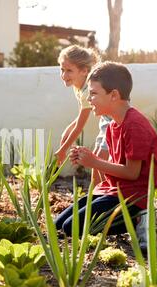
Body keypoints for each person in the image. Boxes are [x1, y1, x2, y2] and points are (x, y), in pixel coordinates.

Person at [54, 62, 157, 239]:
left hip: (133, 200)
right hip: (113, 191)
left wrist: (94, 162)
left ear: (114, 95)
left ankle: (138, 219)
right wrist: (85, 158)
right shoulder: (112, 126)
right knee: (59, 226)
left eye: (94, 93)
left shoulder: (134, 125)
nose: (89, 99)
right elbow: (113, 167)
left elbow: (132, 173)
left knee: (70, 228)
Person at [54, 45, 111, 185]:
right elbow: (80, 116)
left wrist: (62, 150)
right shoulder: (79, 87)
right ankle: (96, 195)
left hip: (114, 123)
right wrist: (66, 132)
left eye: (69, 71)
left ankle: (103, 196)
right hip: (106, 123)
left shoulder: (87, 91)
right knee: (98, 160)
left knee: (100, 160)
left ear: (84, 71)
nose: (64, 75)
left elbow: (80, 126)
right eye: (62, 69)